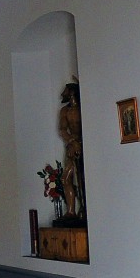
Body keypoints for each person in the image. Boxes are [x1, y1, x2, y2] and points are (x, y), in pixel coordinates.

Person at [57, 82, 83, 220]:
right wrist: (72, 142)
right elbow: (62, 130)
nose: (63, 94)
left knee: (82, 180)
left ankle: (84, 209)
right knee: (65, 178)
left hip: (84, 146)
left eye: (65, 91)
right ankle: (71, 211)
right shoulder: (64, 111)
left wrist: (79, 143)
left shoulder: (83, 107)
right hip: (71, 146)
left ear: (72, 92)